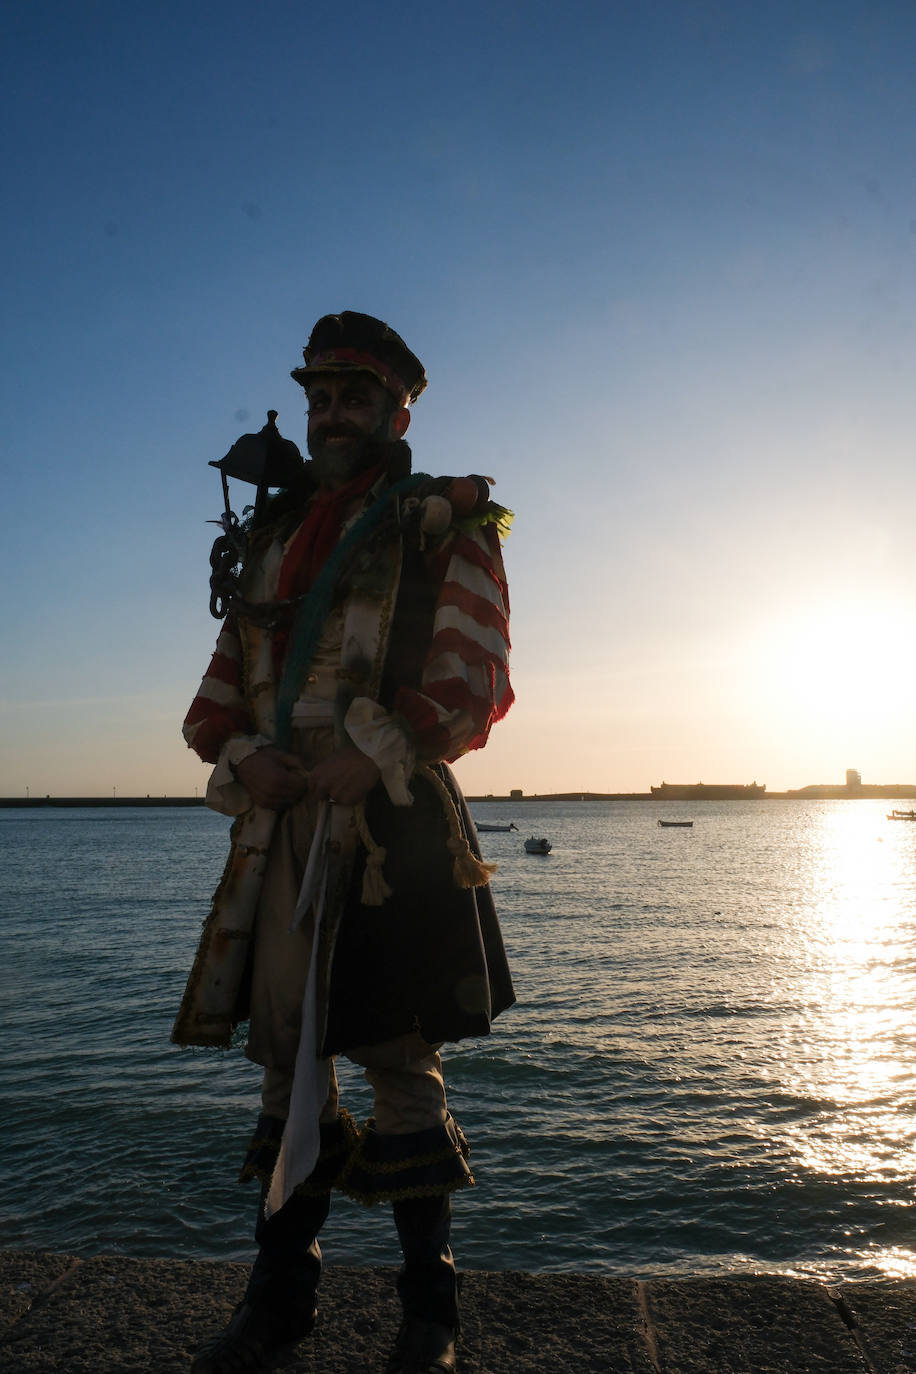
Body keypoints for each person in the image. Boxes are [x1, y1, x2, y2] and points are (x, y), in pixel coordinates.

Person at [173, 311, 515, 1374]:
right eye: (319, 398)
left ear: (397, 413)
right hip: (280, 830)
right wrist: (245, 758)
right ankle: (279, 1304)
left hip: (392, 825)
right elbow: (217, 697)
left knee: (400, 1061)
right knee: (288, 1067)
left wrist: (375, 755)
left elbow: (475, 676)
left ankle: (430, 1317)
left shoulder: (445, 524)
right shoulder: (272, 542)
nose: (332, 415)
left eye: (354, 398)